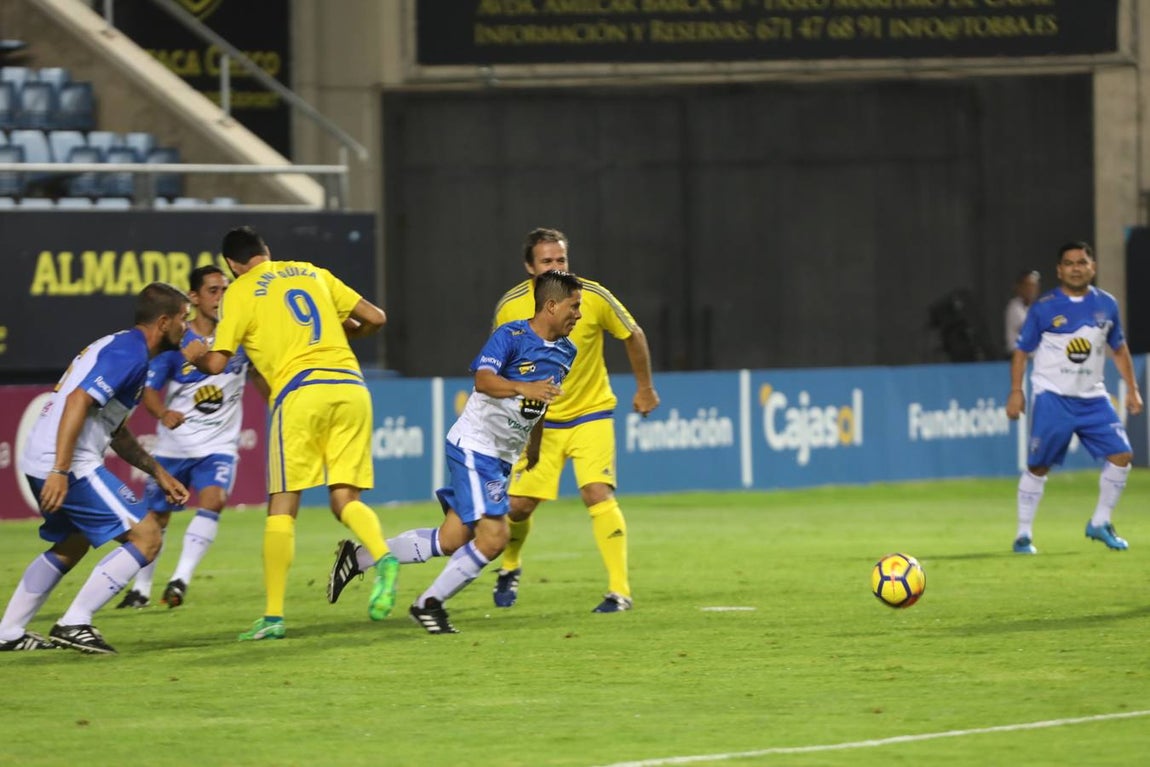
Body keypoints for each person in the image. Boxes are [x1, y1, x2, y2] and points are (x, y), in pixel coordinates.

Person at [327, 271, 581, 633]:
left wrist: (535, 444)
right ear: (552, 305)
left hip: (502, 456)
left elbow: (542, 400)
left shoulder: (567, 352)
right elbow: (484, 380)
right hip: (476, 445)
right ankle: (428, 604)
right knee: (494, 539)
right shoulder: (511, 335)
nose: (579, 315)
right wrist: (522, 387)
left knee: (451, 540)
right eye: (574, 307)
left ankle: (359, 556)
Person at [182, 226, 398, 642]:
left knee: (282, 506)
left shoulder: (241, 293)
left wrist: (192, 351)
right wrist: (347, 334)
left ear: (232, 264)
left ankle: (273, 616)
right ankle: (384, 557)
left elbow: (216, 364)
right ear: (267, 251)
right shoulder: (311, 271)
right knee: (344, 499)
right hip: (352, 388)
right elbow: (375, 318)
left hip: (301, 393)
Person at [0, 283, 191, 654]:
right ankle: (75, 622)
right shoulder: (129, 354)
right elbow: (77, 400)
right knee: (147, 537)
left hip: (45, 456)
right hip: (68, 463)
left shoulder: (125, 348)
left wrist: (158, 472)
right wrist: (60, 469)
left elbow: (114, 431)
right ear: (164, 321)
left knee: (71, 544)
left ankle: (8, 632)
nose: (187, 326)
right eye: (184, 319)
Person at [495, 227, 658, 613]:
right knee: (518, 507)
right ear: (529, 267)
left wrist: (645, 388)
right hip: (539, 421)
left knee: (597, 492)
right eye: (547, 261)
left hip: (590, 413)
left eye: (561, 260)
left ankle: (620, 591)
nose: (555, 267)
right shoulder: (509, 307)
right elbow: (499, 362)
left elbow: (633, 334)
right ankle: (510, 566)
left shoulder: (592, 296)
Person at [116, 265, 267, 610]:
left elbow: (259, 375)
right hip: (175, 446)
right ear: (195, 298)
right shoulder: (175, 343)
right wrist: (162, 414)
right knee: (157, 518)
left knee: (214, 500)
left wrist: (280, 402)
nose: (221, 298)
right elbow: (150, 390)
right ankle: (140, 589)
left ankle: (180, 580)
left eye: (225, 290)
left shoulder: (239, 335)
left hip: (219, 446)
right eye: (213, 291)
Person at [1006, 241, 1143, 554]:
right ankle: (1023, 534)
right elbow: (1022, 352)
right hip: (1053, 396)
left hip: (1093, 398)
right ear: (1059, 270)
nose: (1076, 268)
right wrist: (1017, 391)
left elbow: (1118, 348)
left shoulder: (1107, 305)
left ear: (1092, 267)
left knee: (1122, 455)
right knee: (1039, 466)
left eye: (1082, 262)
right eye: (1069, 263)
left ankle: (1099, 522)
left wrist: (1132, 388)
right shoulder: (1044, 307)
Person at [1004, 269, 1040, 356]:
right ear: (1019, 287)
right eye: (1028, 285)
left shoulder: (1038, 306)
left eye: (1034, 286)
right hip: (1018, 358)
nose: (1031, 289)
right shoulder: (1014, 307)